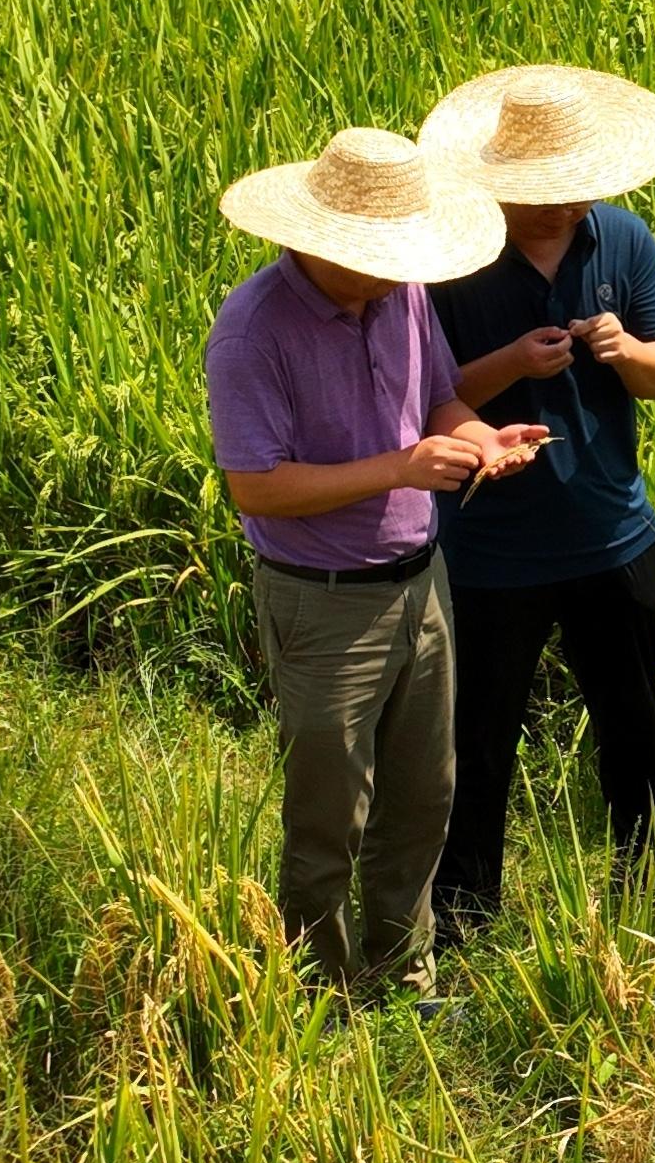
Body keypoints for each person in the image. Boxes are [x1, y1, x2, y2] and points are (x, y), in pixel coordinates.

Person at [203, 125, 546, 1000]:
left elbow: (436, 399)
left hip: (420, 581)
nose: (403, 272)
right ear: (324, 244)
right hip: (323, 601)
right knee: (329, 817)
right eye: (386, 256)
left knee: (425, 794)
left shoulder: (404, 296)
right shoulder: (251, 332)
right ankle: (319, 991)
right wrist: (401, 468)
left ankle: (405, 975)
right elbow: (257, 487)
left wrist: (479, 439)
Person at [419, 64, 655, 941]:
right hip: (490, 547)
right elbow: (426, 393)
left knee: (634, 732)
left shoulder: (624, 240)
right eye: (547, 197)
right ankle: (465, 916)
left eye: (578, 193)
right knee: (479, 742)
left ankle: (651, 896)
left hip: (614, 537)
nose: (566, 210)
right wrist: (513, 366)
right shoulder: (452, 254)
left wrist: (622, 351)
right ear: (500, 186)